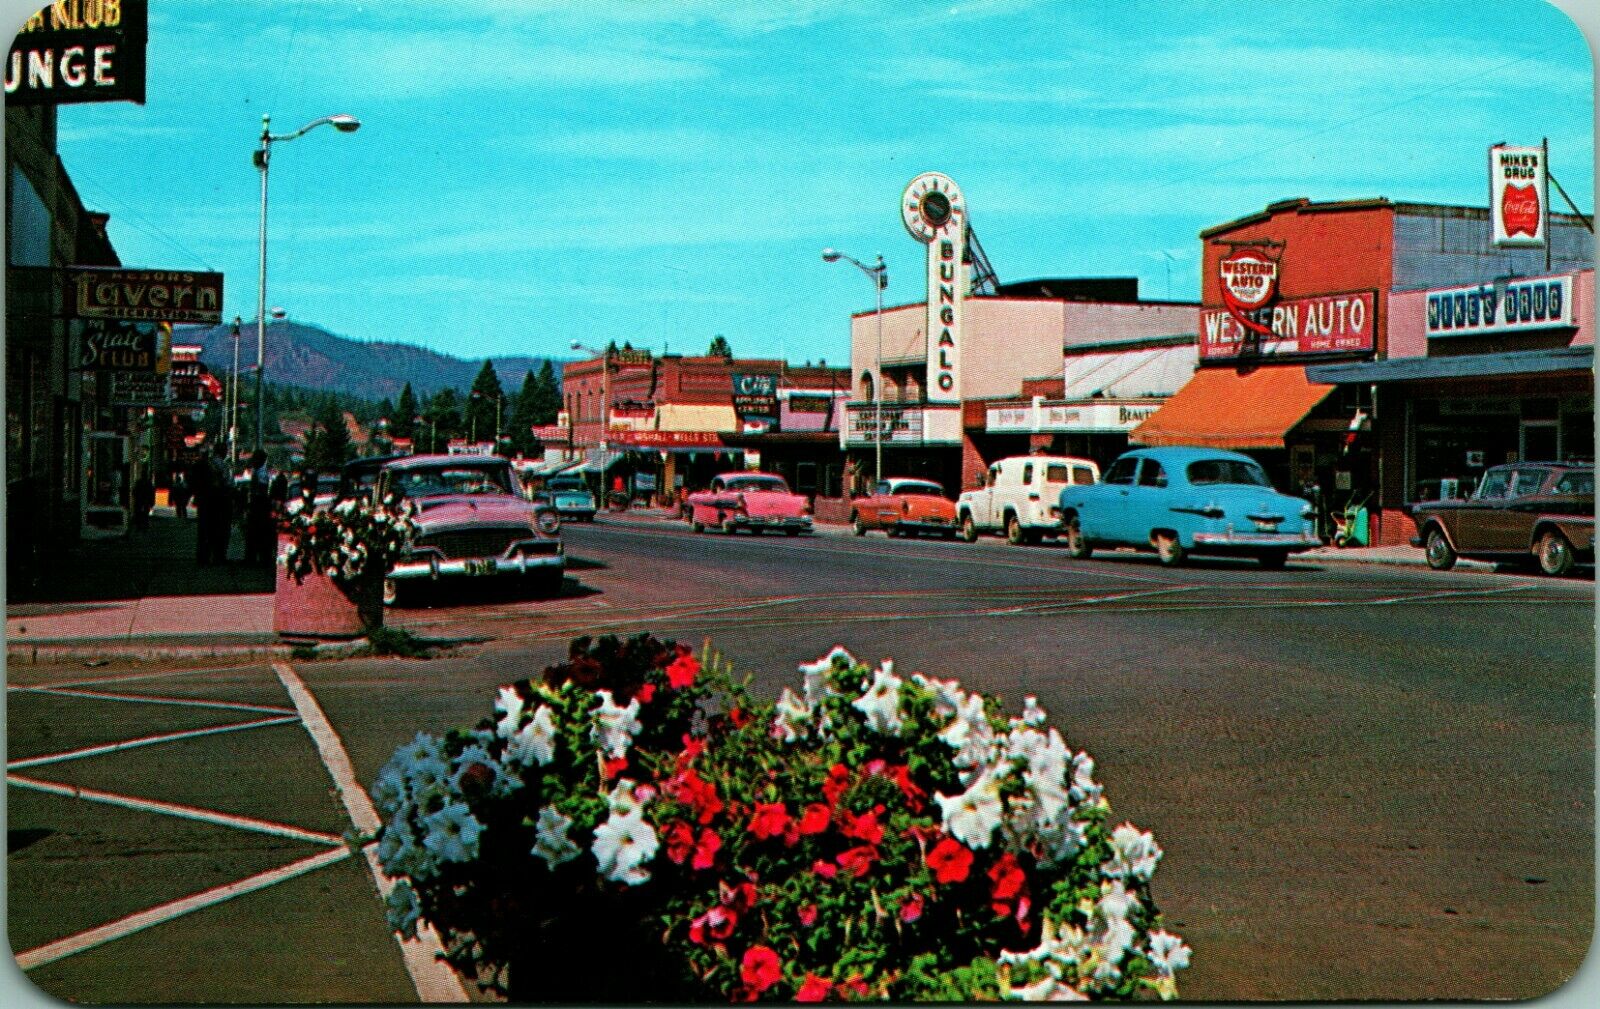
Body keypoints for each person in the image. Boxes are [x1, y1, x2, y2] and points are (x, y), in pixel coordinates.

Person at [242, 450, 274, 566]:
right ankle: (252, 557)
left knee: (258, 531)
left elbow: (261, 490)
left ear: (261, 460)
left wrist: (254, 498)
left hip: (260, 505)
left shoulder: (262, 473)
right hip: (256, 504)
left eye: (256, 459)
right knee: (252, 532)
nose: (254, 461)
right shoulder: (256, 471)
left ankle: (260, 558)